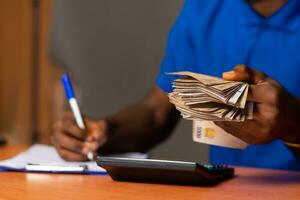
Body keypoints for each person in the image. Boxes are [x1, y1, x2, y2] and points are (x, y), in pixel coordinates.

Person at [52, 0, 300, 170]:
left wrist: (294, 126)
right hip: (228, 189)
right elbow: (157, 113)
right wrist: (101, 132)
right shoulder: (204, 9)